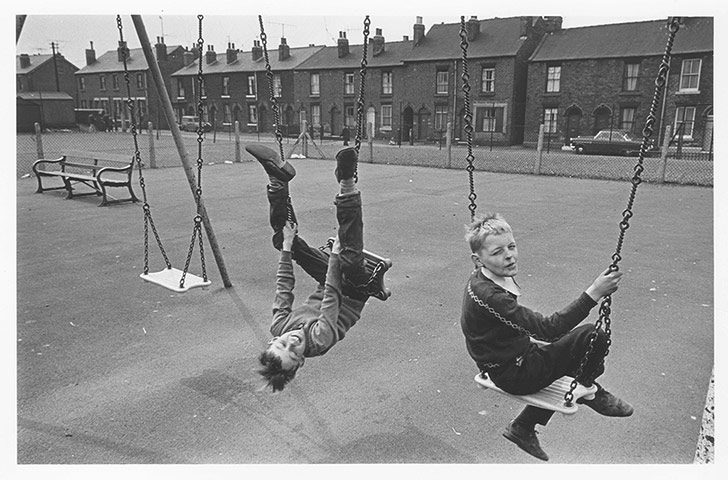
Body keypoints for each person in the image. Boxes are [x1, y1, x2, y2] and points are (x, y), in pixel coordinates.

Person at [460, 213, 633, 461]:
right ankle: (590, 390)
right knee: (593, 336)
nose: (509, 255)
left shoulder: (482, 277)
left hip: (508, 359)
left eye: (511, 246)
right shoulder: (491, 296)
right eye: (497, 252)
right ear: (478, 260)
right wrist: (594, 292)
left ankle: (523, 426)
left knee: (572, 352)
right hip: (514, 373)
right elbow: (548, 330)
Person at [245, 143, 372, 392]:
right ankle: (347, 184)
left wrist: (287, 249)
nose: (291, 343)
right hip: (354, 290)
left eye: (281, 345)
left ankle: (277, 182)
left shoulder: (280, 327)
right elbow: (332, 299)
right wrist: (334, 257)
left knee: (282, 238)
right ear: (301, 362)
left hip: (329, 282)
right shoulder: (319, 340)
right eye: (293, 354)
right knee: (349, 259)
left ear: (273, 339)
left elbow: (283, 288)